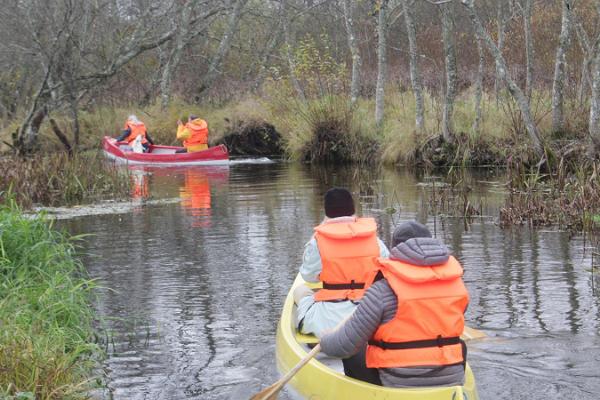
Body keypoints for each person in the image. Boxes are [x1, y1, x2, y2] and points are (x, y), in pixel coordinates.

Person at [319, 221, 469, 387]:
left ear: (395, 250)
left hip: (397, 383)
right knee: (459, 344)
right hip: (450, 381)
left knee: (355, 351)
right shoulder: (456, 286)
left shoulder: (382, 290)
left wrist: (325, 340)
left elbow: (343, 346)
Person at [294, 187, 389, 382]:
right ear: (353, 210)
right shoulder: (374, 239)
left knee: (300, 291)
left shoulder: (318, 241)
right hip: (369, 316)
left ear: (326, 212)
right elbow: (387, 273)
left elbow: (309, 277)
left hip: (329, 321)